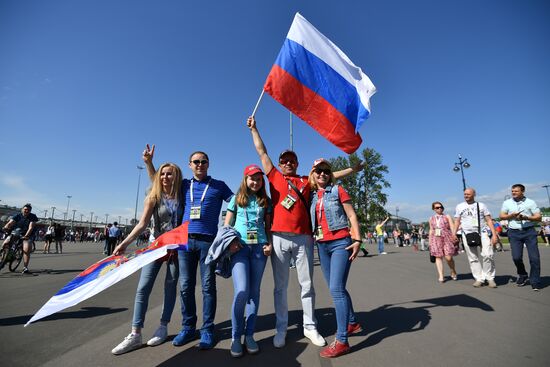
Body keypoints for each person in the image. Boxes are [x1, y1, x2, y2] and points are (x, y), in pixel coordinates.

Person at [247, 116, 360, 348]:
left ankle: (310, 326)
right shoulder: (275, 177)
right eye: (284, 160)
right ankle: (281, 328)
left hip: (304, 238)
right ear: (280, 163)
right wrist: (254, 129)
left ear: (297, 164)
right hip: (278, 236)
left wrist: (352, 169)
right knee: (280, 287)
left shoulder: (306, 181)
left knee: (307, 284)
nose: (288, 163)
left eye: (292, 160)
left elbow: (329, 176)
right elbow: (262, 153)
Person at [143, 145, 233, 350]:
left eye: (203, 161)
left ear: (208, 164)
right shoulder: (183, 185)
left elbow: (237, 202)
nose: (200, 164)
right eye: (196, 161)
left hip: (208, 242)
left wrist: (229, 228)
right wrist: (149, 163)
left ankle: (207, 329)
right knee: (185, 286)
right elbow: (159, 182)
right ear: (190, 165)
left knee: (208, 287)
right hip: (184, 242)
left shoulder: (219, 185)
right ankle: (188, 327)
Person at [111, 163, 185, 355]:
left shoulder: (184, 194)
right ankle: (135, 333)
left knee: (170, 287)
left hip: (176, 248)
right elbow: (142, 224)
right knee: (143, 288)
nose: (165, 177)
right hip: (155, 247)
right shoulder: (153, 195)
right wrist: (125, 243)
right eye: (163, 174)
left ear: (176, 176)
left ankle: (163, 327)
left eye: (170, 174)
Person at [308, 159, 362, 358]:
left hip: (341, 243)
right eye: (318, 171)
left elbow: (352, 216)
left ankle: (341, 340)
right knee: (337, 286)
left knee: (336, 289)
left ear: (330, 174)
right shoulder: (311, 194)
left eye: (326, 171)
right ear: (313, 173)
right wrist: (349, 170)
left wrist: (358, 239)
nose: (322, 174)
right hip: (322, 245)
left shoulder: (338, 190)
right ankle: (352, 322)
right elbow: (318, 178)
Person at [223, 164, 273, 357]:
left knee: (254, 292)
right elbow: (227, 225)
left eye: (259, 179)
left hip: (259, 248)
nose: (255, 182)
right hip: (239, 248)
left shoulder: (265, 201)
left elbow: (267, 226)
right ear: (245, 179)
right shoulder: (236, 199)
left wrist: (269, 243)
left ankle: (249, 335)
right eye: (252, 178)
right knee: (242, 290)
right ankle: (236, 337)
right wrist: (231, 242)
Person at [499, 184, 542, 291]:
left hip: (529, 232)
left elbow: (538, 217)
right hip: (514, 233)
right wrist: (512, 215)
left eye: (516, 191)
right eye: (512, 191)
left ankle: (535, 281)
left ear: (523, 192)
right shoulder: (507, 202)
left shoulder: (530, 202)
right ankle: (523, 275)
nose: (513, 193)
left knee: (534, 258)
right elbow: (502, 215)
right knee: (516, 257)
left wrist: (526, 217)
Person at [454, 188, 498, 288]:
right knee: (473, 257)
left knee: (488, 254)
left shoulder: (481, 205)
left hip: (482, 232)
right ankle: (479, 278)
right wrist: (454, 233)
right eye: (465, 194)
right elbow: (457, 221)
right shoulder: (459, 206)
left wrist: (494, 235)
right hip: (467, 234)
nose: (466, 196)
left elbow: (489, 220)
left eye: (468, 194)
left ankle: (489, 277)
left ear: (474, 194)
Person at [2, 203, 38, 274]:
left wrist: (26, 236)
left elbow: (31, 227)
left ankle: (25, 268)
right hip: (16, 232)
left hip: (27, 234)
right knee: (5, 243)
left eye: (28, 210)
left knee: (26, 249)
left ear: (30, 211)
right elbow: (10, 223)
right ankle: (2, 259)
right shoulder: (18, 215)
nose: (26, 211)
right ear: (22, 210)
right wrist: (5, 227)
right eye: (25, 209)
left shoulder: (33, 217)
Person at [428, 202, 458, 283]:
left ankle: (453, 270)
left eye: (441, 207)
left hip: (447, 237)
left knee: (448, 257)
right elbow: (431, 229)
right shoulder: (431, 218)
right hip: (436, 238)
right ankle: (441, 276)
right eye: (437, 207)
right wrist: (430, 241)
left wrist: (454, 236)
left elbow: (452, 227)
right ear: (434, 209)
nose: (439, 208)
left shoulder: (447, 216)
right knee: (438, 257)